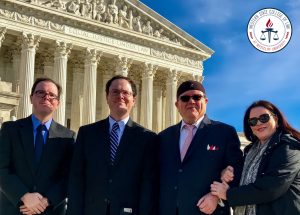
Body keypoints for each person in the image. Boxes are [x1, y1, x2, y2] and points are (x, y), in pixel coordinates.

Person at [67, 75, 158, 215]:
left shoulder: (147, 138)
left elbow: (148, 185)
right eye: (115, 92)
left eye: (126, 93)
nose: (120, 96)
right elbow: (76, 179)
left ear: (133, 99)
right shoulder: (87, 133)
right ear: (107, 97)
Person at [159, 80, 244, 215]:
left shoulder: (224, 133)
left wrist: (216, 196)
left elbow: (238, 170)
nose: (191, 101)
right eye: (185, 98)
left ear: (206, 101)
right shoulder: (164, 137)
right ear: (177, 104)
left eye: (197, 97)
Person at [0, 77, 75, 215]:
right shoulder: (10, 129)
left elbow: (68, 176)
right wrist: (23, 195)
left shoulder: (68, 136)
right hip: (14, 208)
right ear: (31, 98)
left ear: (57, 102)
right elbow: (2, 168)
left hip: (50, 210)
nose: (46, 97)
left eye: (52, 95)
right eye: (40, 93)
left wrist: (46, 201)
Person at [211, 100, 300, 215]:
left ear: (276, 119)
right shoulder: (250, 152)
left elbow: (271, 188)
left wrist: (228, 194)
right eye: (253, 121)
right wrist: (227, 173)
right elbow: (242, 181)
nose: (258, 123)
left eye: (264, 118)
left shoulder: (288, 147)